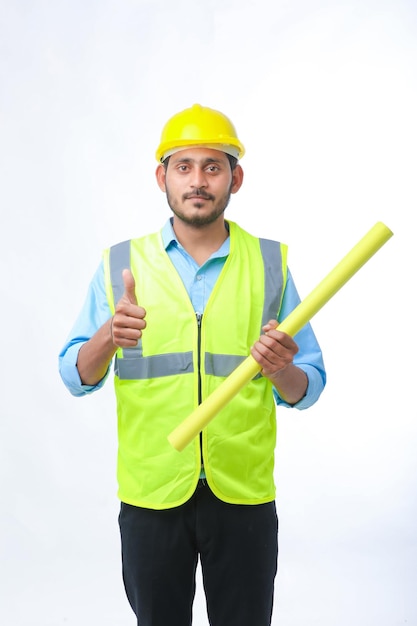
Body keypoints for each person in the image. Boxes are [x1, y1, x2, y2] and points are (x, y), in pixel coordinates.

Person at [59, 103, 326, 626]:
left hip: (243, 492)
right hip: (152, 491)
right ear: (162, 177)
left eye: (213, 166)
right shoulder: (120, 264)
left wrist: (280, 371)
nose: (198, 180)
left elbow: (308, 385)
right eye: (184, 167)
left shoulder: (271, 263)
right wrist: (108, 338)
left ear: (236, 177)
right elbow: (75, 375)